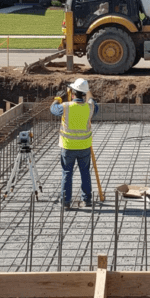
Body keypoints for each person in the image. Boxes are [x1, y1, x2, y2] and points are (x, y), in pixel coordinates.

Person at [51, 78, 99, 208]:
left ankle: (66, 202)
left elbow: (53, 109)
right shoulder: (89, 108)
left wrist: (58, 99)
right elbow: (93, 103)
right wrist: (88, 92)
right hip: (84, 147)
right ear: (83, 94)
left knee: (67, 173)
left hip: (68, 147)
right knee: (85, 172)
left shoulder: (66, 107)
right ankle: (87, 200)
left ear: (72, 93)